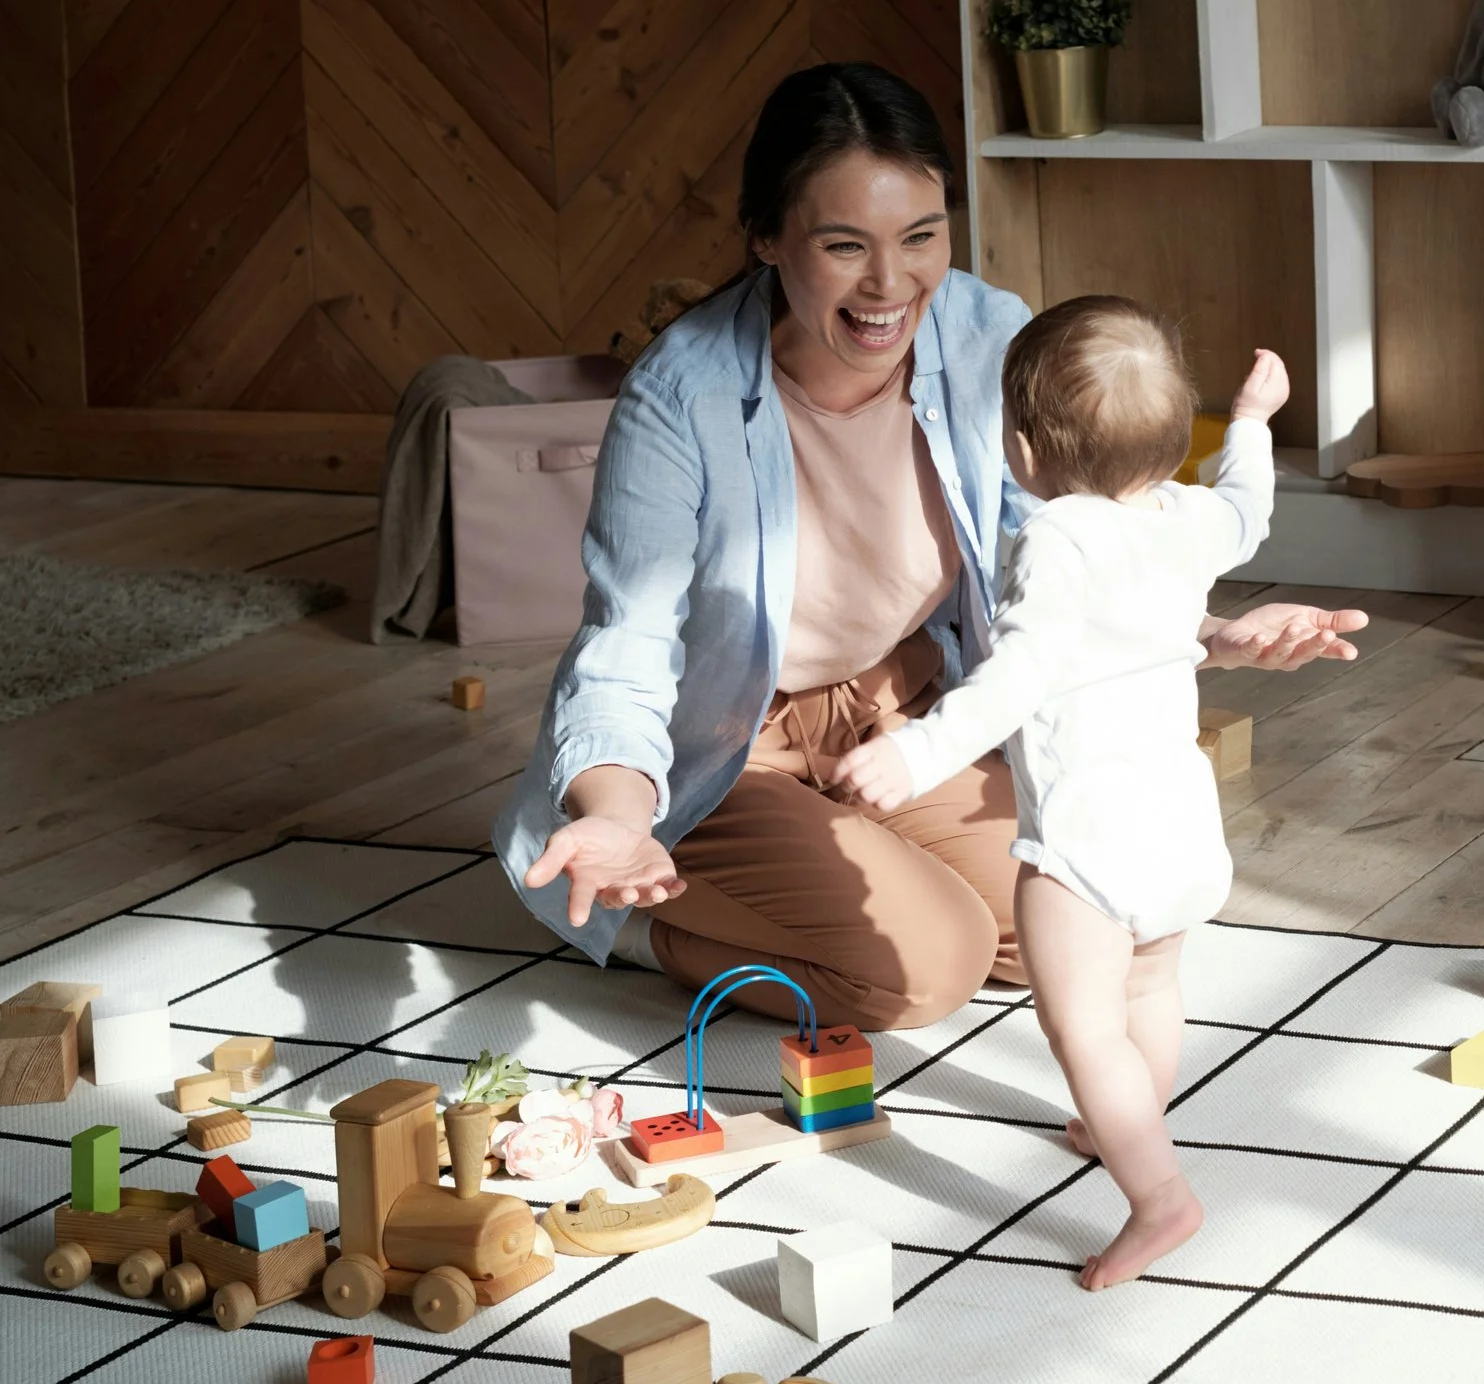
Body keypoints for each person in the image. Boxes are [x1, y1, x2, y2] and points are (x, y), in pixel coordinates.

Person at [493, 62, 1366, 1030]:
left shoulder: (986, 334)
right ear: (766, 237)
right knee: (924, 969)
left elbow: (1064, 550)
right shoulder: (680, 396)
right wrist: (615, 811)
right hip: (730, 746)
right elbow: (627, 644)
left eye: (921, 237)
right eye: (842, 244)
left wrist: (1210, 630)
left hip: (901, 711)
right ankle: (650, 924)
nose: (889, 283)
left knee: (1068, 909)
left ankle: (842, 864)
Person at [831, 298, 1280, 1289]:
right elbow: (1249, 506)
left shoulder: (1055, 537)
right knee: (1149, 986)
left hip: (1087, 834)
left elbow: (1019, 674)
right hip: (1179, 814)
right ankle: (1120, 1121)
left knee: (1080, 1022)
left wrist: (919, 754)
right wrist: (1250, 421)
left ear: (1027, 449)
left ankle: (1158, 1195)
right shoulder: (1192, 514)